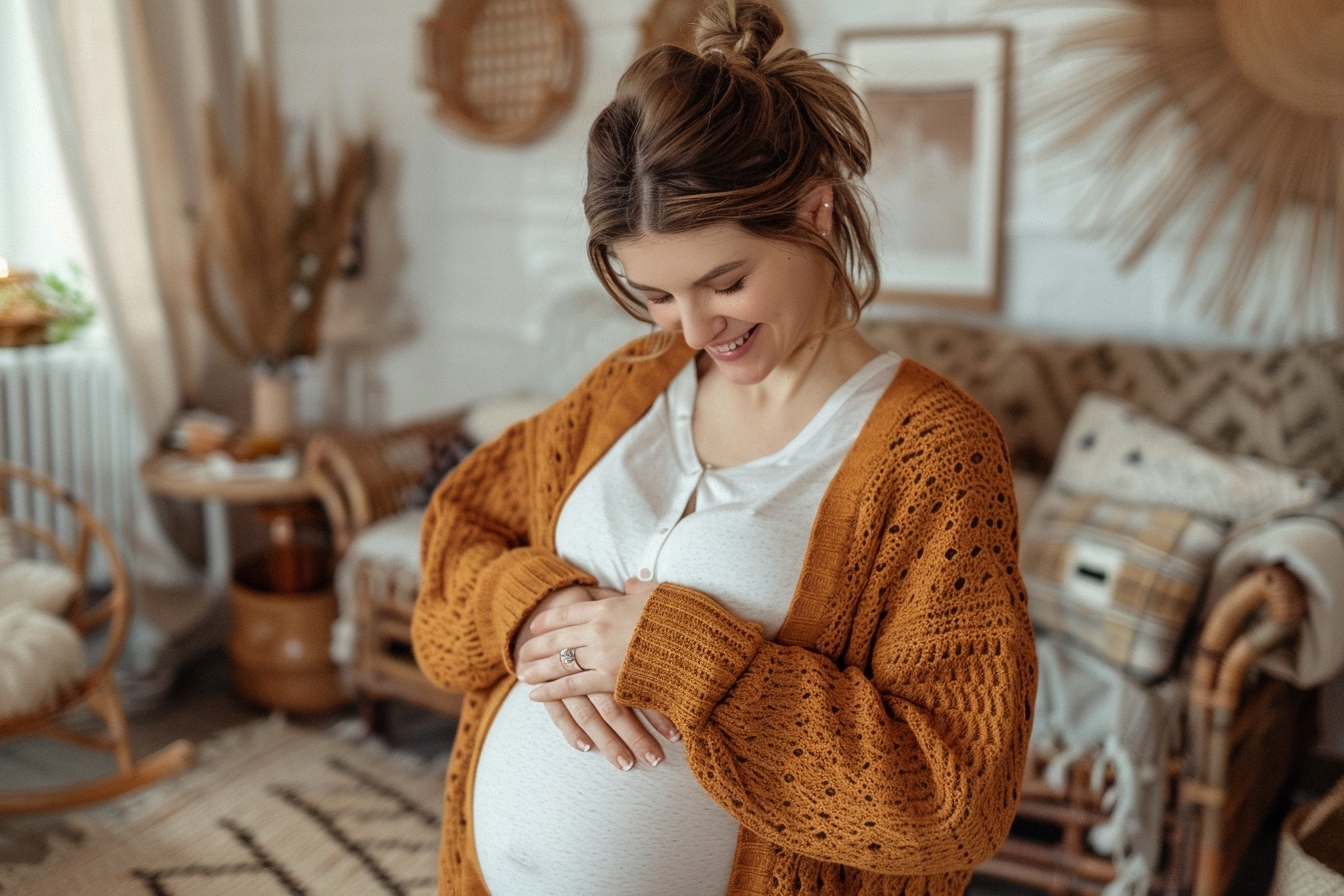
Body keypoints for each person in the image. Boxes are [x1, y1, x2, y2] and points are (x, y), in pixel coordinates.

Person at [412, 2, 1036, 893]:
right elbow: (457, 539)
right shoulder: (633, 381)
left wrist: (682, 661)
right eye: (657, 294)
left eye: (726, 281)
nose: (698, 329)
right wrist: (529, 609)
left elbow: (954, 799)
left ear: (815, 214)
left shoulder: (934, 453)